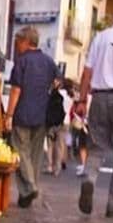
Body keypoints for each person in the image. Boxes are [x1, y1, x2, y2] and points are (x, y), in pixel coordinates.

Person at [76, 0, 113, 218]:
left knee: (96, 147)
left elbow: (87, 72)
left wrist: (82, 100)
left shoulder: (101, 37)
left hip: (99, 97)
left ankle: (89, 179)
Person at [5, 27, 60, 208]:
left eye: (17, 42)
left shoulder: (22, 62)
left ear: (25, 41)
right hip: (42, 114)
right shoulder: (49, 62)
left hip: (22, 113)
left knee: (20, 151)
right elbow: (57, 82)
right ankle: (26, 194)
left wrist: (9, 115)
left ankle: (30, 186)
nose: (16, 46)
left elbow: (16, 90)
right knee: (35, 156)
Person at [45, 79, 72, 176]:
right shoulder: (70, 96)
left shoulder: (54, 94)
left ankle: (49, 165)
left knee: (50, 144)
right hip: (65, 122)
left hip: (52, 122)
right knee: (60, 146)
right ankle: (57, 168)